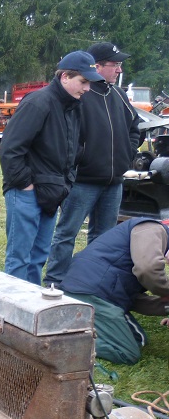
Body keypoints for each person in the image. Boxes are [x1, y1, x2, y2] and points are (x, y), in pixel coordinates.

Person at [0, 51, 104, 285]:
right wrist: (25, 185)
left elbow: (75, 147)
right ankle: (13, 314)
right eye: (83, 82)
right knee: (19, 260)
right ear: (65, 76)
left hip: (53, 192)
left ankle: (31, 310)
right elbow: (10, 149)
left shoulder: (74, 106)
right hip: (27, 192)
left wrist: (67, 181)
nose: (87, 88)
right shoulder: (38, 102)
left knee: (38, 258)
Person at [44, 42, 141, 286]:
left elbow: (134, 127)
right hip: (83, 181)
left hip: (114, 182)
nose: (119, 70)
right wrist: (78, 159)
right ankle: (55, 282)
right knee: (67, 233)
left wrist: (126, 155)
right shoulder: (80, 95)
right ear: (97, 66)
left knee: (105, 238)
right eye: (115, 64)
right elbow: (64, 131)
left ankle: (91, 284)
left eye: (120, 65)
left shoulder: (118, 95)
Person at [61, 218, 169, 365]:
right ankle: (66, 342)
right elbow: (148, 270)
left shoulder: (151, 234)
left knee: (139, 339)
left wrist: (166, 306)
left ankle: (79, 324)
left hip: (93, 289)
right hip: (93, 292)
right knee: (127, 353)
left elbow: (133, 299)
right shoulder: (152, 229)